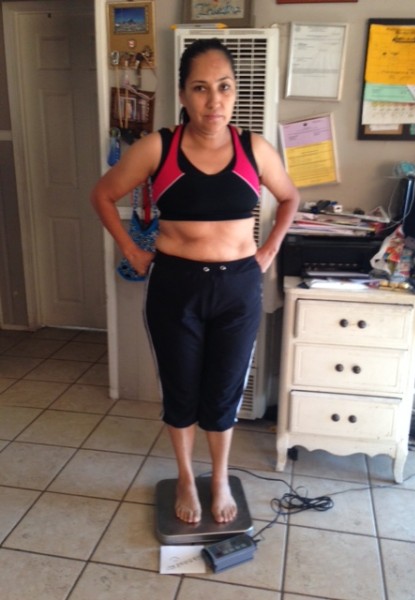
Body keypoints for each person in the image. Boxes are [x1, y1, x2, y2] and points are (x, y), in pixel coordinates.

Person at [91, 38, 300, 525]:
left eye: (224, 87)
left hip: (238, 288)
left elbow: (290, 197)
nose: (214, 101)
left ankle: (220, 476)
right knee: (180, 389)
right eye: (201, 88)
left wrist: (268, 250)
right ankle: (186, 476)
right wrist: (131, 250)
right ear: (183, 94)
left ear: (235, 91)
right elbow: (102, 194)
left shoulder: (255, 149)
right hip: (175, 287)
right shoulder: (157, 147)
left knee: (224, 389)